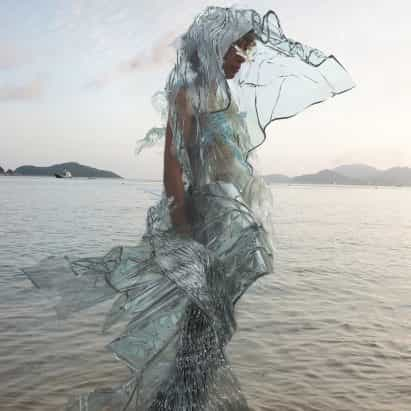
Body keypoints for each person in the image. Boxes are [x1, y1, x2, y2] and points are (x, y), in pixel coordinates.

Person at [23, 6, 354, 411]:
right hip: (204, 224)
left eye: (249, 51)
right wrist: (183, 236)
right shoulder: (188, 92)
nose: (244, 59)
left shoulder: (223, 97)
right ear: (217, 45)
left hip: (227, 223)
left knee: (210, 334)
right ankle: (174, 403)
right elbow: (172, 167)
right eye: (240, 50)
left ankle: (182, 401)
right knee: (201, 332)